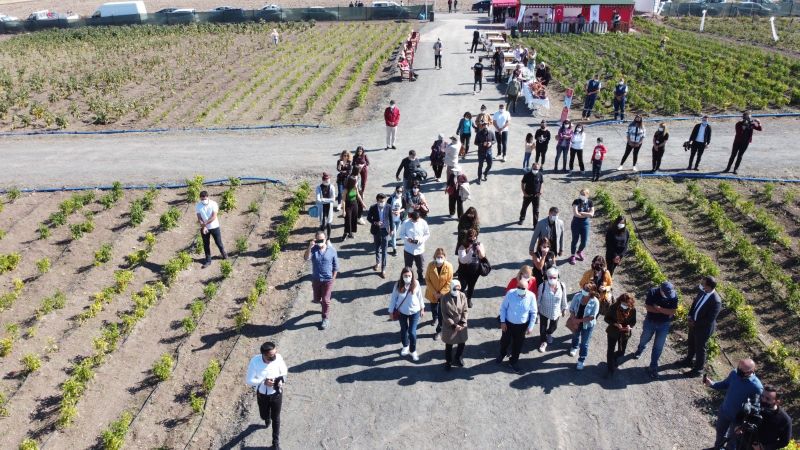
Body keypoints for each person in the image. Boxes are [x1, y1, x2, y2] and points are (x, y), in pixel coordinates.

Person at [704, 359, 764, 450]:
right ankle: (718, 448)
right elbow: (724, 384)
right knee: (720, 434)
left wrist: (744, 425)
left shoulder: (756, 387)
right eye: (738, 368)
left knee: (732, 442)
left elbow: (756, 408)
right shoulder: (734, 373)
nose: (738, 371)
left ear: (751, 371)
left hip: (738, 420)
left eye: (741, 371)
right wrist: (712, 384)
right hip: (725, 411)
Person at [246, 341, 288, 450]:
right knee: (264, 415)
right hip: (262, 395)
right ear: (263, 355)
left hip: (276, 393)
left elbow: (284, 371)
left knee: (276, 418)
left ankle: (275, 443)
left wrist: (282, 381)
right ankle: (266, 418)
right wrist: (263, 381)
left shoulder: (278, 357)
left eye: (275, 353)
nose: (274, 357)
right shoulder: (255, 362)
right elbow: (249, 380)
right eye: (271, 356)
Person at [633, 281, 679, 379]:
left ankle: (653, 366)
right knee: (644, 338)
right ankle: (640, 349)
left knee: (658, 346)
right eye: (665, 293)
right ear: (661, 289)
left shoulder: (674, 296)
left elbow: (673, 311)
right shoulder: (653, 292)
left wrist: (658, 308)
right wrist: (665, 312)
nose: (668, 296)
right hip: (650, 322)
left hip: (664, 325)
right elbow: (648, 308)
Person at [680, 276, 722, 377]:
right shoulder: (702, 291)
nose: (701, 285)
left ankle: (698, 370)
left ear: (709, 286)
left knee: (700, 348)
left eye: (703, 284)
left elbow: (709, 319)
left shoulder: (716, 301)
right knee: (691, 342)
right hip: (693, 323)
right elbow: (694, 304)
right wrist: (690, 315)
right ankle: (688, 360)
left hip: (704, 328)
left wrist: (694, 323)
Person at [497, 278, 538, 373]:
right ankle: (502, 354)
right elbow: (503, 308)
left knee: (518, 345)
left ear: (527, 288)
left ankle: (513, 361)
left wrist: (531, 326)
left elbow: (534, 312)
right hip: (508, 324)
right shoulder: (510, 293)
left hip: (522, 326)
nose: (520, 289)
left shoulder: (531, 296)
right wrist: (502, 322)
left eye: (522, 288)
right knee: (504, 341)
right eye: (518, 287)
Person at [388, 267, 426, 362]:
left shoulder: (416, 283)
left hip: (415, 312)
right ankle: (405, 345)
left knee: (412, 332)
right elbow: (393, 299)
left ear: (412, 275)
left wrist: (422, 308)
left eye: (409, 275)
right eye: (405, 276)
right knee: (403, 330)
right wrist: (391, 311)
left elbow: (420, 296)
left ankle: (413, 350)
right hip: (402, 312)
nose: (407, 277)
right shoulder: (398, 285)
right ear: (402, 275)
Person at [303, 230, 338, 330]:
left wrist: (333, 278)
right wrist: (310, 246)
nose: (320, 242)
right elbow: (306, 258)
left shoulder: (332, 251)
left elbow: (336, 266)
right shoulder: (313, 250)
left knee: (326, 300)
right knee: (317, 299)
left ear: (326, 239)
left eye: (321, 239)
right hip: (316, 279)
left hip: (328, 280)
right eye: (317, 240)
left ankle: (325, 318)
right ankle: (322, 305)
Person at [567, 281, 600, 370]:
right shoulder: (577, 296)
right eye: (584, 288)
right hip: (576, 321)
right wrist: (573, 319)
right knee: (575, 335)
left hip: (587, 325)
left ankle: (581, 360)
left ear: (592, 292)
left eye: (586, 289)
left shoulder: (595, 302)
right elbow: (572, 308)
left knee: (584, 343)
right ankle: (574, 347)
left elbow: (592, 317)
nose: (584, 290)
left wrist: (578, 321)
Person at [603, 293, 636, 377]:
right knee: (610, 350)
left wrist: (629, 326)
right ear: (620, 301)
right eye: (623, 303)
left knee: (621, 352)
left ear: (631, 302)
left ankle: (613, 358)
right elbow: (606, 318)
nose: (625, 305)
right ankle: (610, 369)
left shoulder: (632, 309)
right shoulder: (614, 307)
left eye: (627, 304)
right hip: (613, 332)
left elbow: (633, 321)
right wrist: (615, 324)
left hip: (624, 333)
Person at [425, 248, 454, 340]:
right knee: (433, 308)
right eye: (438, 257)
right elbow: (427, 279)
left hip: (444, 295)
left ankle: (439, 330)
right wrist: (434, 292)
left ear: (445, 257)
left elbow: (449, 281)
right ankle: (434, 318)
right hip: (432, 293)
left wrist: (441, 293)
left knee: (442, 313)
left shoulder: (449, 266)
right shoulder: (430, 265)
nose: (439, 258)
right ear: (435, 257)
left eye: (441, 257)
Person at [536, 267, 567, 353]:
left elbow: (564, 298)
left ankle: (549, 333)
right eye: (550, 277)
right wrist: (536, 310)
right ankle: (543, 341)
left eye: (555, 277)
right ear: (547, 277)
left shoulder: (562, 286)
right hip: (544, 311)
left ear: (558, 277)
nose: (552, 279)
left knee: (554, 327)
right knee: (543, 328)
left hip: (556, 312)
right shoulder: (542, 286)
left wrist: (564, 308)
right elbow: (538, 299)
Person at [441, 279, 469, 370]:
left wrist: (462, 323)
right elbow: (444, 314)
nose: (457, 290)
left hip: (461, 325)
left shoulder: (462, 295)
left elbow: (465, 310)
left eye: (458, 288)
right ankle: (448, 361)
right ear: (451, 288)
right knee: (449, 345)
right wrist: (453, 325)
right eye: (455, 289)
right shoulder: (444, 298)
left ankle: (458, 357)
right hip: (450, 326)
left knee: (462, 343)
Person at [196, 191, 228, 268]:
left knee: (218, 242)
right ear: (200, 198)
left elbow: (214, 216)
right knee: (206, 244)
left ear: (207, 197)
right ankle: (208, 260)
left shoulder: (213, 204)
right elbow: (199, 217)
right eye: (202, 199)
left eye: (205, 199)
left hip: (214, 226)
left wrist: (205, 224)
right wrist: (203, 227)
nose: (204, 200)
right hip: (205, 228)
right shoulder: (198, 205)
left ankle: (224, 254)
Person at [367, 193, 395, 278]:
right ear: (377, 200)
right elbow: (368, 218)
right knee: (377, 248)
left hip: (385, 231)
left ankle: (383, 269)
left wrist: (392, 229)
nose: (382, 203)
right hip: (376, 231)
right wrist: (375, 222)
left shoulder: (388, 207)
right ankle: (377, 262)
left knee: (384, 250)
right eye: (380, 201)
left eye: (383, 201)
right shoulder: (373, 207)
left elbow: (391, 219)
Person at [456, 228, 485, 308]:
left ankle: (469, 300)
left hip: (474, 271)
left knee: (471, 286)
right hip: (464, 271)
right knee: (462, 286)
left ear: (476, 237)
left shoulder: (479, 244)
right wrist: (471, 251)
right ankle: (459, 299)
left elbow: (482, 256)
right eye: (470, 237)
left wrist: (479, 250)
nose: (472, 240)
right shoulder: (462, 246)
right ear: (467, 237)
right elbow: (463, 260)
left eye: (474, 237)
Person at [399, 210, 429, 281]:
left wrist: (421, 240)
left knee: (420, 265)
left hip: (419, 249)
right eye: (414, 220)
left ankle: (420, 275)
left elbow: (427, 234)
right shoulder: (405, 223)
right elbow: (401, 234)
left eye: (417, 220)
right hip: (408, 249)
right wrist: (407, 239)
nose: (415, 222)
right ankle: (409, 278)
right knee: (408, 266)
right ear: (410, 217)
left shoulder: (423, 223)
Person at [569, 188, 595, 265]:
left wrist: (582, 213)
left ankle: (579, 251)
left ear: (587, 195)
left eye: (584, 194)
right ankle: (573, 255)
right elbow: (576, 214)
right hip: (576, 224)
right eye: (581, 194)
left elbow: (592, 214)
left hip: (585, 224)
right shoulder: (576, 201)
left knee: (584, 242)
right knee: (575, 240)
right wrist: (587, 214)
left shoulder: (590, 202)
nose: (582, 196)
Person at [519, 162, 544, 226]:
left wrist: (541, 190)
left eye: (537, 169)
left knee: (536, 210)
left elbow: (541, 183)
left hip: (536, 196)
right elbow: (522, 183)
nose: (536, 170)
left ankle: (535, 225)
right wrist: (524, 193)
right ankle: (522, 219)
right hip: (527, 195)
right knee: (524, 207)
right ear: (532, 167)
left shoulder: (540, 174)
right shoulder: (527, 175)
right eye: (534, 168)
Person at [315, 173, 336, 241]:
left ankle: (328, 238)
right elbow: (318, 200)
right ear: (323, 180)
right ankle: (322, 238)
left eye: (328, 179)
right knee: (322, 224)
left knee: (329, 223)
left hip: (329, 207)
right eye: (326, 180)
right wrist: (328, 200)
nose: (327, 181)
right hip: (322, 208)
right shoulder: (318, 187)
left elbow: (333, 199)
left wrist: (323, 199)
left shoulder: (332, 187)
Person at [474, 120, 495, 184]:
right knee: (480, 166)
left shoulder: (491, 132)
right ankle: (479, 178)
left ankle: (485, 173)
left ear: (488, 125)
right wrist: (482, 144)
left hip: (489, 152)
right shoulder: (478, 133)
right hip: (481, 152)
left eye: (486, 125)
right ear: (482, 126)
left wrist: (491, 143)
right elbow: (475, 142)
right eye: (484, 125)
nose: (485, 126)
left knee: (490, 165)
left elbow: (494, 140)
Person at [388, 185, 405, 256]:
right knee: (394, 234)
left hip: (399, 219)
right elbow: (387, 208)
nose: (399, 192)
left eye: (400, 191)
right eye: (398, 191)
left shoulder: (402, 198)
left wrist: (399, 211)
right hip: (392, 220)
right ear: (395, 191)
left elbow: (404, 207)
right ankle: (394, 249)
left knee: (395, 232)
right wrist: (392, 212)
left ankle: (391, 241)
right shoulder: (391, 199)